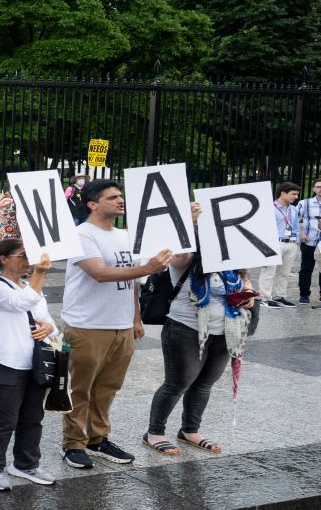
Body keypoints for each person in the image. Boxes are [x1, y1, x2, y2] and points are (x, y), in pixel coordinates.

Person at [61, 179, 171, 469]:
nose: (120, 201)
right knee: (81, 389)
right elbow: (99, 273)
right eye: (112, 197)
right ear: (92, 204)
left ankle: (98, 439)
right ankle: (73, 443)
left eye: (121, 196)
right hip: (87, 325)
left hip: (120, 326)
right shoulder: (82, 235)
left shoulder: (124, 235)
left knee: (108, 387)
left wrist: (135, 318)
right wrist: (147, 268)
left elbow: (131, 281)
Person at [144, 204, 256, 455]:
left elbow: (245, 287)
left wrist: (248, 298)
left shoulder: (232, 264)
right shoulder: (186, 258)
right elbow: (177, 253)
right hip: (185, 328)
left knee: (204, 383)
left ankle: (189, 430)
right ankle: (154, 432)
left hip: (224, 330)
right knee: (177, 382)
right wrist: (190, 224)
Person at [0, 240, 57, 491]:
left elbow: (48, 319)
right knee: (4, 418)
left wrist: (49, 328)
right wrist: (41, 274)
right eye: (22, 256)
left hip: (35, 361)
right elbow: (19, 304)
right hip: (5, 361)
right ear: (3, 259)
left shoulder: (32, 286)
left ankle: (26, 463)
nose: (28, 262)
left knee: (33, 416)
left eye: (29, 257)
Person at [257, 182, 301, 307]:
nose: (296, 197)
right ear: (283, 193)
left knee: (285, 273)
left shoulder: (293, 209)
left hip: (291, 244)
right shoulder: (270, 208)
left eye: (297, 194)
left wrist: (296, 241)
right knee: (269, 272)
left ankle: (279, 296)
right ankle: (265, 298)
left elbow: (296, 227)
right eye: (293, 194)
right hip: (274, 243)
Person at [299, 179, 321, 307]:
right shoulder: (305, 203)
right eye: (318, 186)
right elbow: (294, 220)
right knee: (306, 268)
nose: (320, 189)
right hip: (309, 241)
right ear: (313, 189)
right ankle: (304, 294)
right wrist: (300, 234)